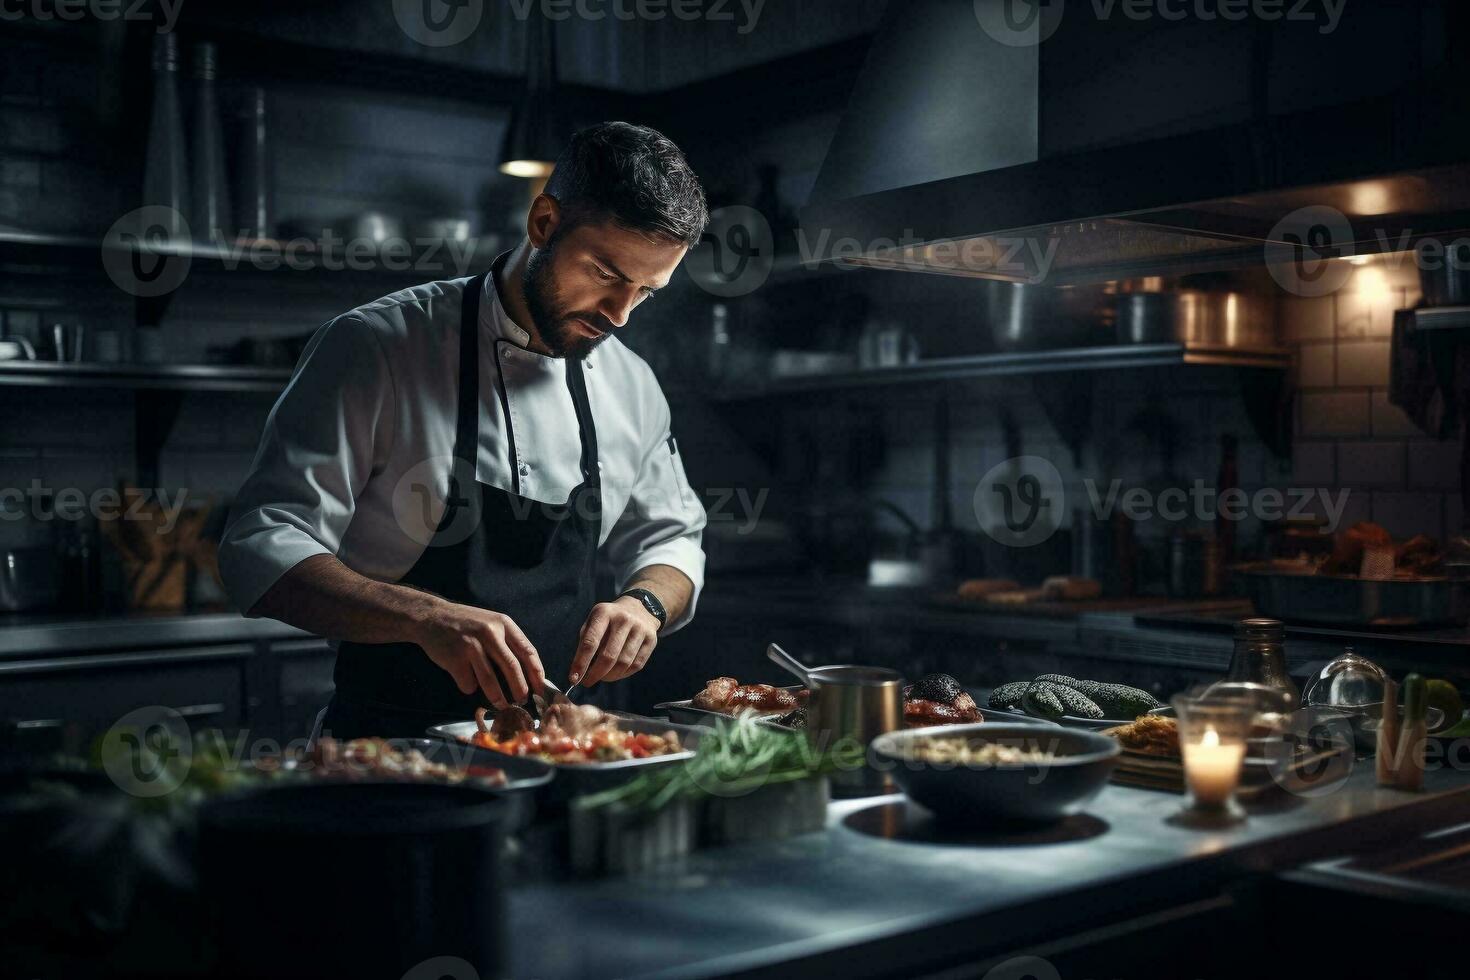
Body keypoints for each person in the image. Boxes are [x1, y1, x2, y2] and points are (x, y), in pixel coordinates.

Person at [218, 121, 709, 739]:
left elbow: (672, 537)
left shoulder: (631, 383)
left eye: (647, 291)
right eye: (607, 275)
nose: (620, 315)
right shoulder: (377, 347)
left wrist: (645, 605)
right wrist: (423, 616)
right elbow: (260, 549)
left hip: (559, 752)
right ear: (544, 223)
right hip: (388, 752)